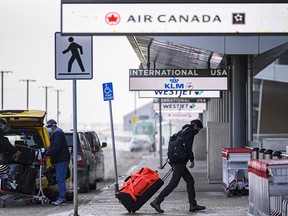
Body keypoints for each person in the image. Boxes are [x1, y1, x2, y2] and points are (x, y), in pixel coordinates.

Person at [150, 119, 206, 213]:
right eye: (199, 129)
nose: (198, 132)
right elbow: (188, 147)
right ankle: (157, 201)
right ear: (196, 126)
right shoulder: (190, 132)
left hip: (176, 160)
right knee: (173, 183)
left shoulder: (181, 131)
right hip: (179, 162)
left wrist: (173, 162)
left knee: (190, 181)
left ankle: (193, 204)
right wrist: (192, 160)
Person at [45, 119, 70, 206]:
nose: (48, 128)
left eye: (49, 126)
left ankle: (62, 199)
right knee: (59, 178)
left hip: (61, 159)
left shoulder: (58, 133)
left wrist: (48, 153)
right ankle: (61, 197)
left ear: (54, 125)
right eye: (47, 127)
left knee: (60, 179)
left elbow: (56, 147)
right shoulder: (56, 133)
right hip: (60, 159)